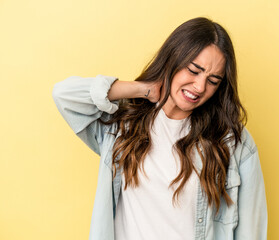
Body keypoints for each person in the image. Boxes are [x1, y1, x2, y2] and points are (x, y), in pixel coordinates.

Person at [52, 17, 267, 240]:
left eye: (213, 80)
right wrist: (144, 89)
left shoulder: (233, 142)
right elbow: (64, 95)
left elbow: (251, 232)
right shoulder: (122, 125)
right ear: (172, 60)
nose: (200, 87)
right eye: (194, 70)